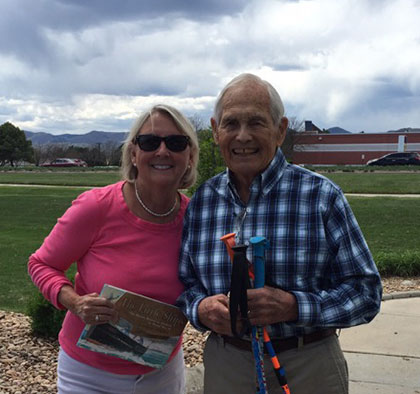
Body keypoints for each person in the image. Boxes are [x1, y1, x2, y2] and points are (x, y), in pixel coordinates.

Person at [177, 73, 382, 394]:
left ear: (280, 129)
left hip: (309, 363)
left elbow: (366, 294)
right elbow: (186, 285)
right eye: (231, 124)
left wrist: (294, 306)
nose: (242, 136)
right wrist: (201, 310)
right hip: (227, 364)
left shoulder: (320, 196)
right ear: (216, 132)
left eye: (256, 122)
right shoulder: (203, 201)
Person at [28, 104, 199, 394]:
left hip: (162, 373)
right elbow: (41, 264)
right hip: (89, 375)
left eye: (175, 142)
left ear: (190, 155)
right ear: (133, 153)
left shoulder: (196, 217)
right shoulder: (96, 207)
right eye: (149, 142)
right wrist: (74, 302)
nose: (162, 151)